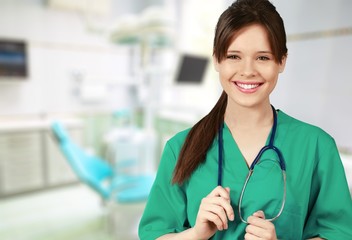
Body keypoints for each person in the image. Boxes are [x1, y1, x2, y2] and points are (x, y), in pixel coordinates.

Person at [138, 0, 352, 239]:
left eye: (262, 57)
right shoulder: (180, 148)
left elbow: (339, 233)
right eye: (233, 56)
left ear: (282, 61)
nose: (248, 70)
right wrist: (196, 234)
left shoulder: (316, 146)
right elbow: (154, 234)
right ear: (217, 60)